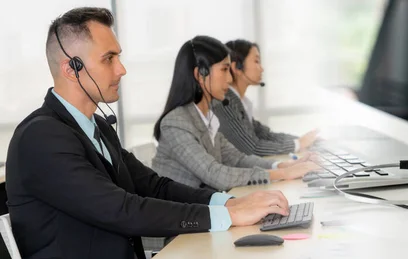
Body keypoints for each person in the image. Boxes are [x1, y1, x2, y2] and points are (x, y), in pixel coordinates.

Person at [5, 7, 290, 259]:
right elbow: (121, 209)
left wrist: (228, 202)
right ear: (72, 69)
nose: (122, 69)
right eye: (109, 59)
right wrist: (227, 216)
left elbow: (154, 186)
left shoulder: (98, 127)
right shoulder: (41, 137)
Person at [151, 36, 319, 192]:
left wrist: (283, 166)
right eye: (224, 70)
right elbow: (215, 174)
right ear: (200, 74)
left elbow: (237, 159)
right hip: (180, 218)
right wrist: (283, 174)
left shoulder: (207, 116)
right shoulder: (176, 123)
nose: (230, 79)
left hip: (203, 207)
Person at [211, 39, 319, 156]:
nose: (261, 69)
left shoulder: (239, 103)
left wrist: (306, 140)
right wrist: (297, 144)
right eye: (256, 61)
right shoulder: (226, 102)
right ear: (237, 67)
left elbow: (266, 135)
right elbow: (253, 148)